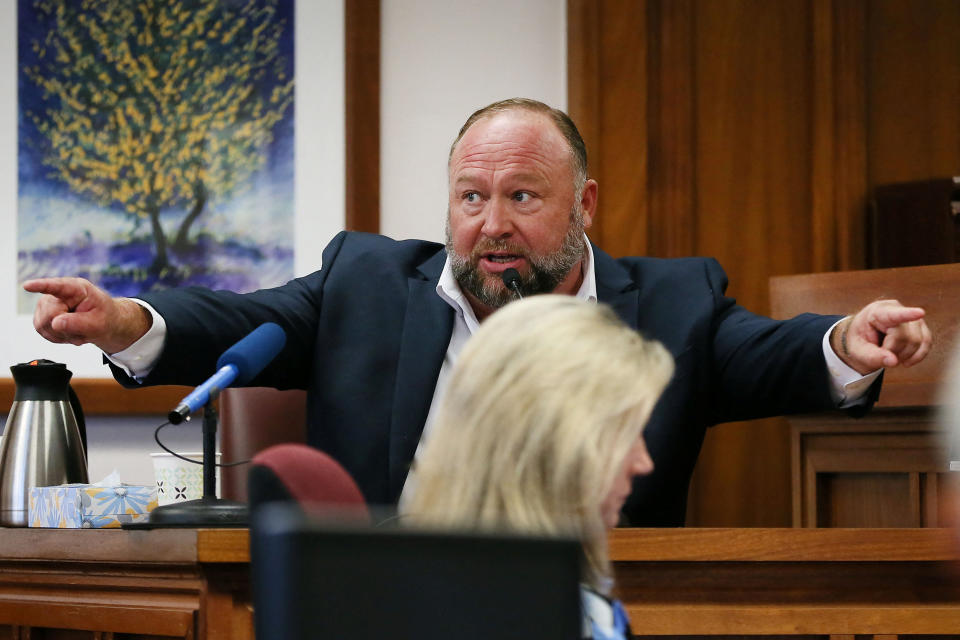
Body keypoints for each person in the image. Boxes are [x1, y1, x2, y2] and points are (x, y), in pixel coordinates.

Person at [24, 98, 932, 525]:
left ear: (584, 208)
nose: (491, 225)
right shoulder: (368, 283)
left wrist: (849, 340)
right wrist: (123, 323)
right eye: (470, 197)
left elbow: (777, 355)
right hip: (387, 615)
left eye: (523, 198)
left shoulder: (672, 303)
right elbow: (236, 323)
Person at [406, 295, 672, 638]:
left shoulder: (586, 607)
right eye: (627, 435)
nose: (644, 463)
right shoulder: (457, 620)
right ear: (554, 445)